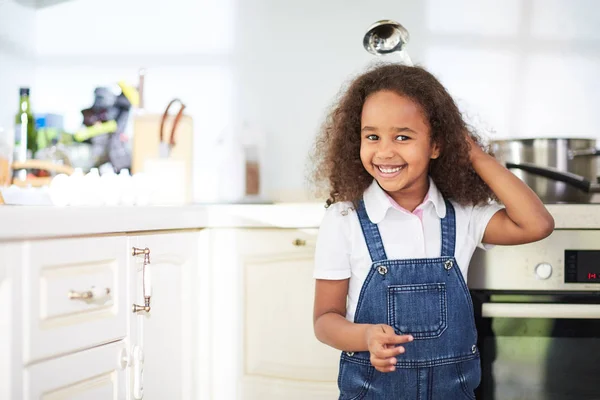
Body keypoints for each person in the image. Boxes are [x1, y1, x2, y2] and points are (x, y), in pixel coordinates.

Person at [310, 63, 554, 399]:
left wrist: (474, 154)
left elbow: (537, 224)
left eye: (403, 136)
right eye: (372, 136)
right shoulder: (344, 219)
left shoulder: (463, 216)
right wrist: (364, 337)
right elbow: (325, 319)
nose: (385, 151)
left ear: (436, 145)